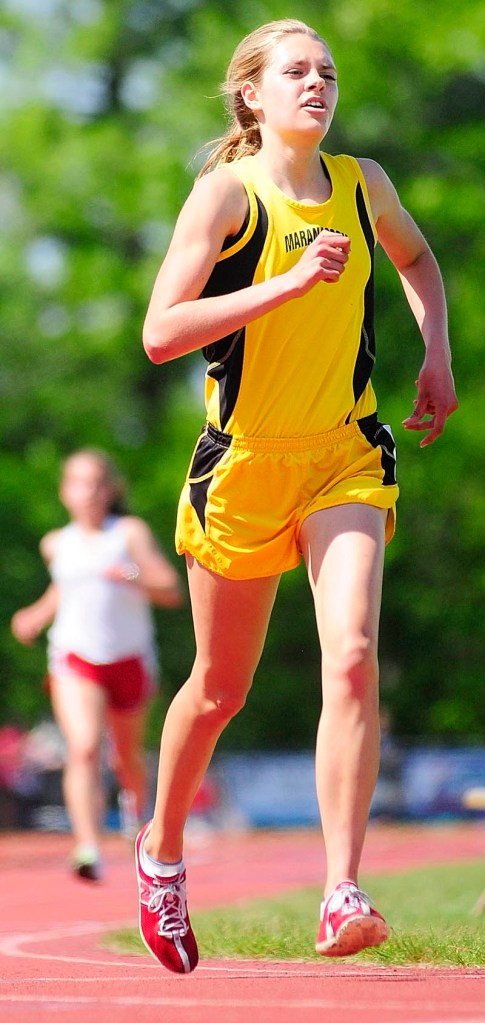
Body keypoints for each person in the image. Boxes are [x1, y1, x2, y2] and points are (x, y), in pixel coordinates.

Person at [134, 19, 458, 972]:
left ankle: (340, 890)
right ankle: (161, 850)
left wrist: (435, 351)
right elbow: (160, 331)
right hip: (241, 464)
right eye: (295, 71)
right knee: (219, 686)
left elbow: (418, 262)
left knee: (351, 654)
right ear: (252, 96)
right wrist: (280, 283)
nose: (316, 84)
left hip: (342, 455)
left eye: (326, 71)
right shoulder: (224, 196)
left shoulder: (364, 186)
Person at [11, 448, 184, 881]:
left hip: (129, 657)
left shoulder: (128, 533)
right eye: (77, 483)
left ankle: (134, 811)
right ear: (65, 492)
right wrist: (35, 614)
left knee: (126, 757)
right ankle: (87, 845)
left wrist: (130, 575)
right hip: (74, 656)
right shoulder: (56, 543)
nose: (86, 492)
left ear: (110, 490)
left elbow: (170, 589)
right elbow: (64, 591)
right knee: (84, 747)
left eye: (94, 483)